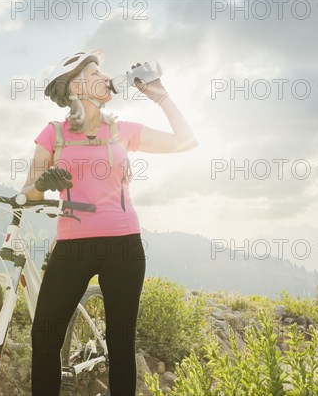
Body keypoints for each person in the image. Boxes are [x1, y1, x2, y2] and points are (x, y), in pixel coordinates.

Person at [20, 49, 198, 396]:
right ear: (74, 87)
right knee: (43, 339)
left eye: (103, 73)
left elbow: (185, 141)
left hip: (123, 246)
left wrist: (161, 96)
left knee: (120, 343)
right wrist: (42, 185)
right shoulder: (53, 134)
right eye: (95, 73)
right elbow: (26, 193)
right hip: (71, 246)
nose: (105, 78)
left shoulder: (123, 130)